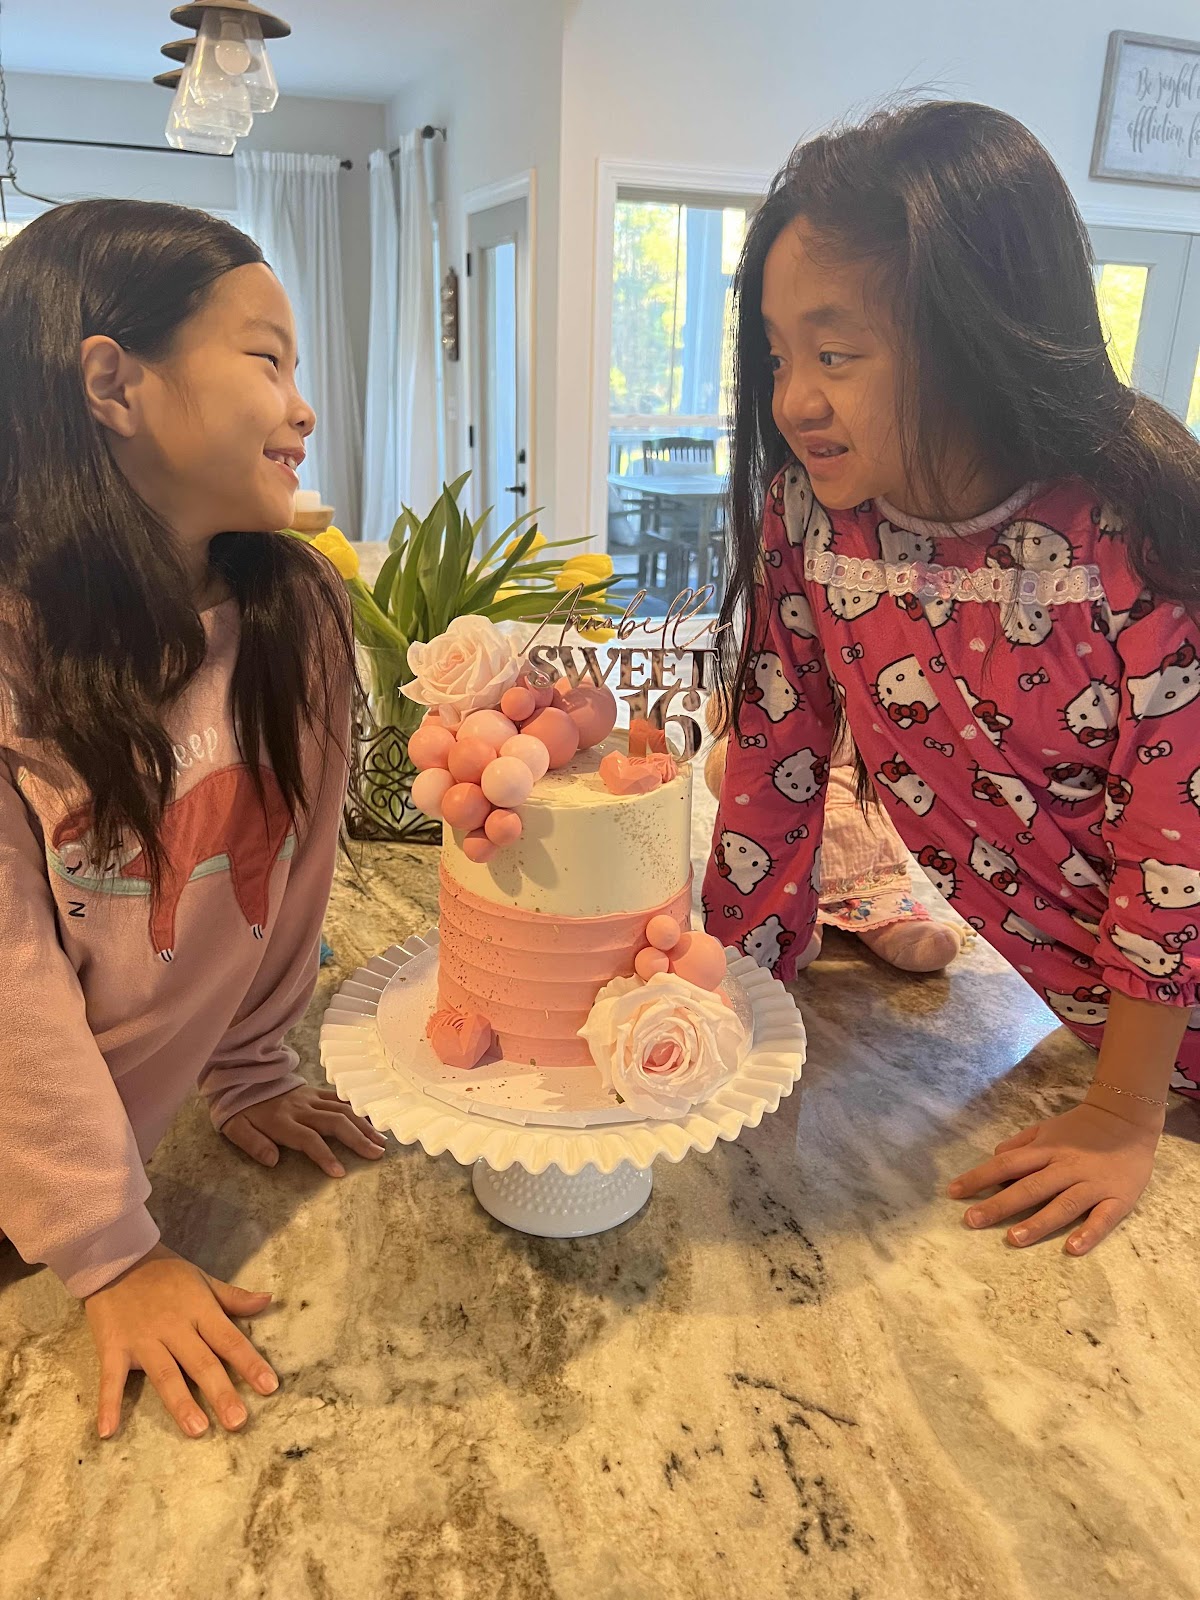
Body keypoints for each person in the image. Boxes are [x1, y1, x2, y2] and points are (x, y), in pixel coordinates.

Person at [704, 101, 1200, 1259]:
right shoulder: (809, 519)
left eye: (836, 355)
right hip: (1112, 1037)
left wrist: (1123, 1112)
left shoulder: (1132, 529)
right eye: (779, 355)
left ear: (976, 335)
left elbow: (1176, 848)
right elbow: (773, 763)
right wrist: (729, 998)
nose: (794, 399)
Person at [0, 200, 385, 1441]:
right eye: (266, 360)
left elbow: (286, 869)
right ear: (112, 382)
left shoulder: (296, 616)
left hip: (100, 1173)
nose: (302, 408)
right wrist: (111, 1249)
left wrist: (251, 1061)